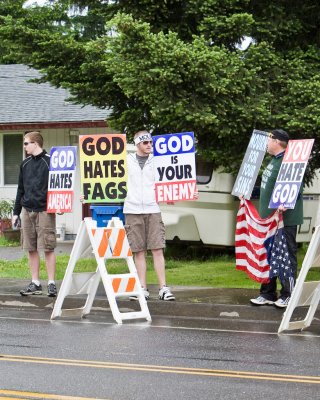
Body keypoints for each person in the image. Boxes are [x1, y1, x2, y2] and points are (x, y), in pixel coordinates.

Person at [250, 128, 303, 308]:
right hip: (268, 220)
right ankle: (267, 293)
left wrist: (285, 203)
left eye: (269, 139)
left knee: (286, 255)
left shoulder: (289, 162)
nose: (266, 142)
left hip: (284, 219)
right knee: (268, 255)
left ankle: (288, 294)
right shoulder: (273, 161)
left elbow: (295, 188)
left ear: (277, 142)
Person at [123, 130, 175, 301]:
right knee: (138, 251)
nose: (149, 146)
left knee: (157, 248)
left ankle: (163, 288)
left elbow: (170, 180)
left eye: (151, 143)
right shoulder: (126, 160)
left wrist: (176, 194)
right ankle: (142, 288)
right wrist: (89, 194)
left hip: (153, 208)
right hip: (132, 209)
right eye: (145, 143)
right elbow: (109, 179)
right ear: (137, 143)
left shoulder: (158, 160)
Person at [12, 131, 58, 297]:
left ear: (35, 143)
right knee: (30, 248)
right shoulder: (24, 165)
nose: (24, 147)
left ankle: (51, 283)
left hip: (45, 210)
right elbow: (20, 189)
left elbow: (59, 186)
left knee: (48, 247)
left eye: (26, 143)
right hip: (27, 211)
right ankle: (35, 283)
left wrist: (59, 204)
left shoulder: (51, 162)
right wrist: (16, 212)